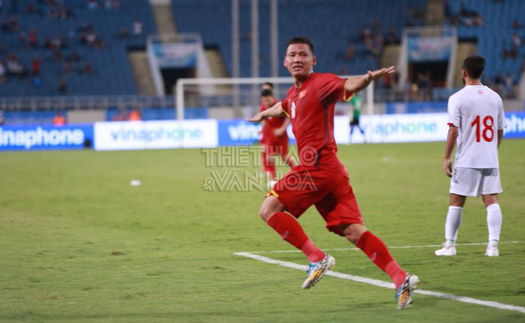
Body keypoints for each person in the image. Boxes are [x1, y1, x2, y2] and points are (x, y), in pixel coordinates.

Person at [247, 36, 419, 310]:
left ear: (313, 61)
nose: (297, 59)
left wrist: (366, 78)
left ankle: (316, 257)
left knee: (268, 209)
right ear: (285, 61)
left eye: (303, 54)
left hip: (316, 166)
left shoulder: (322, 83)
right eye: (292, 55)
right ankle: (401, 278)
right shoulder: (293, 93)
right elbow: (283, 106)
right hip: (333, 171)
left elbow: (347, 85)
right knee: (351, 230)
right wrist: (263, 115)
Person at [435, 55, 505, 257]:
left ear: (464, 72)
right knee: (491, 199)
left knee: (456, 200)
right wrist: (493, 150)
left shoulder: (457, 98)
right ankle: (492, 246)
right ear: (482, 72)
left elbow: (453, 131)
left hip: (467, 158)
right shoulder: (495, 97)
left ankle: (450, 246)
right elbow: (500, 131)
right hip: (490, 157)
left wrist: (447, 157)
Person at [259, 89, 294, 187]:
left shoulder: (279, 105)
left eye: (267, 100)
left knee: (284, 156)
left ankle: (296, 169)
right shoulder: (263, 107)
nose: (266, 103)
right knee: (269, 156)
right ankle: (273, 179)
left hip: (281, 136)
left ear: (271, 98)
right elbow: (264, 119)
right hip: (270, 136)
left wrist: (282, 129)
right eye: (264, 101)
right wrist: (262, 129)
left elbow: (289, 117)